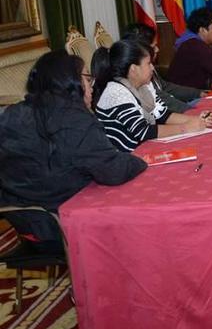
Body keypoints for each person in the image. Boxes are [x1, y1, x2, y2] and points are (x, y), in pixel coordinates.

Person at [0, 51, 147, 253]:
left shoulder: (9, 114)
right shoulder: (75, 120)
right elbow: (114, 171)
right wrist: (139, 161)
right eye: (88, 79)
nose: (92, 87)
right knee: (140, 211)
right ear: (71, 82)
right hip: (62, 224)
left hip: (21, 222)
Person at [92, 39, 212, 152]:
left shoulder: (144, 86)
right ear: (134, 69)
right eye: (148, 63)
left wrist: (195, 120)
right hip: (127, 159)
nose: (152, 68)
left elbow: (163, 115)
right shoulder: (116, 93)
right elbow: (143, 131)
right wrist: (185, 128)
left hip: (145, 150)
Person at [121, 23, 205, 113]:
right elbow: (161, 99)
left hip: (171, 110)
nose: (157, 49)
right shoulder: (139, 74)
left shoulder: (148, 66)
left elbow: (166, 87)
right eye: (153, 46)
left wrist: (198, 93)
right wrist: (191, 111)